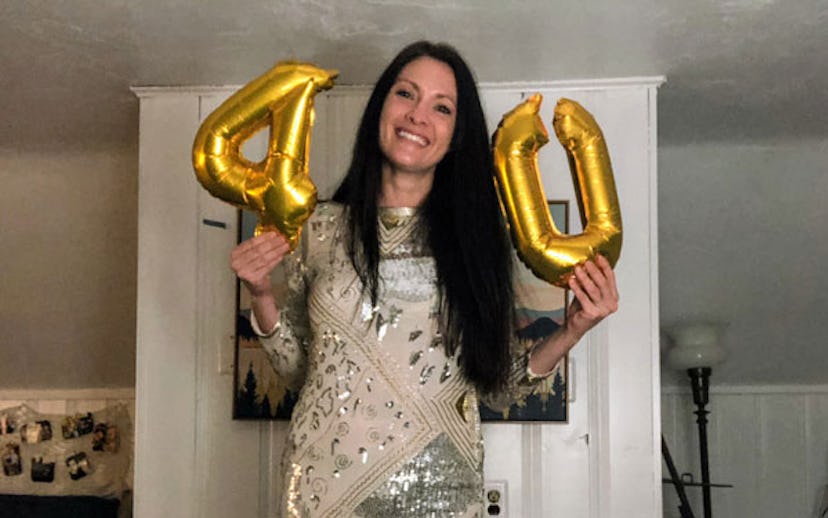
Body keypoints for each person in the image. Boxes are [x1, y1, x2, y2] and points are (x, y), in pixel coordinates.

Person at [230, 40, 619, 517]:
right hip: (323, 490)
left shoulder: (478, 239)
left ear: (456, 135)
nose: (418, 116)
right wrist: (261, 291)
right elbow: (297, 370)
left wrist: (574, 328)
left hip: (443, 488)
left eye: (441, 107)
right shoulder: (320, 228)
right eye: (405, 94)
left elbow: (500, 385)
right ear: (380, 108)